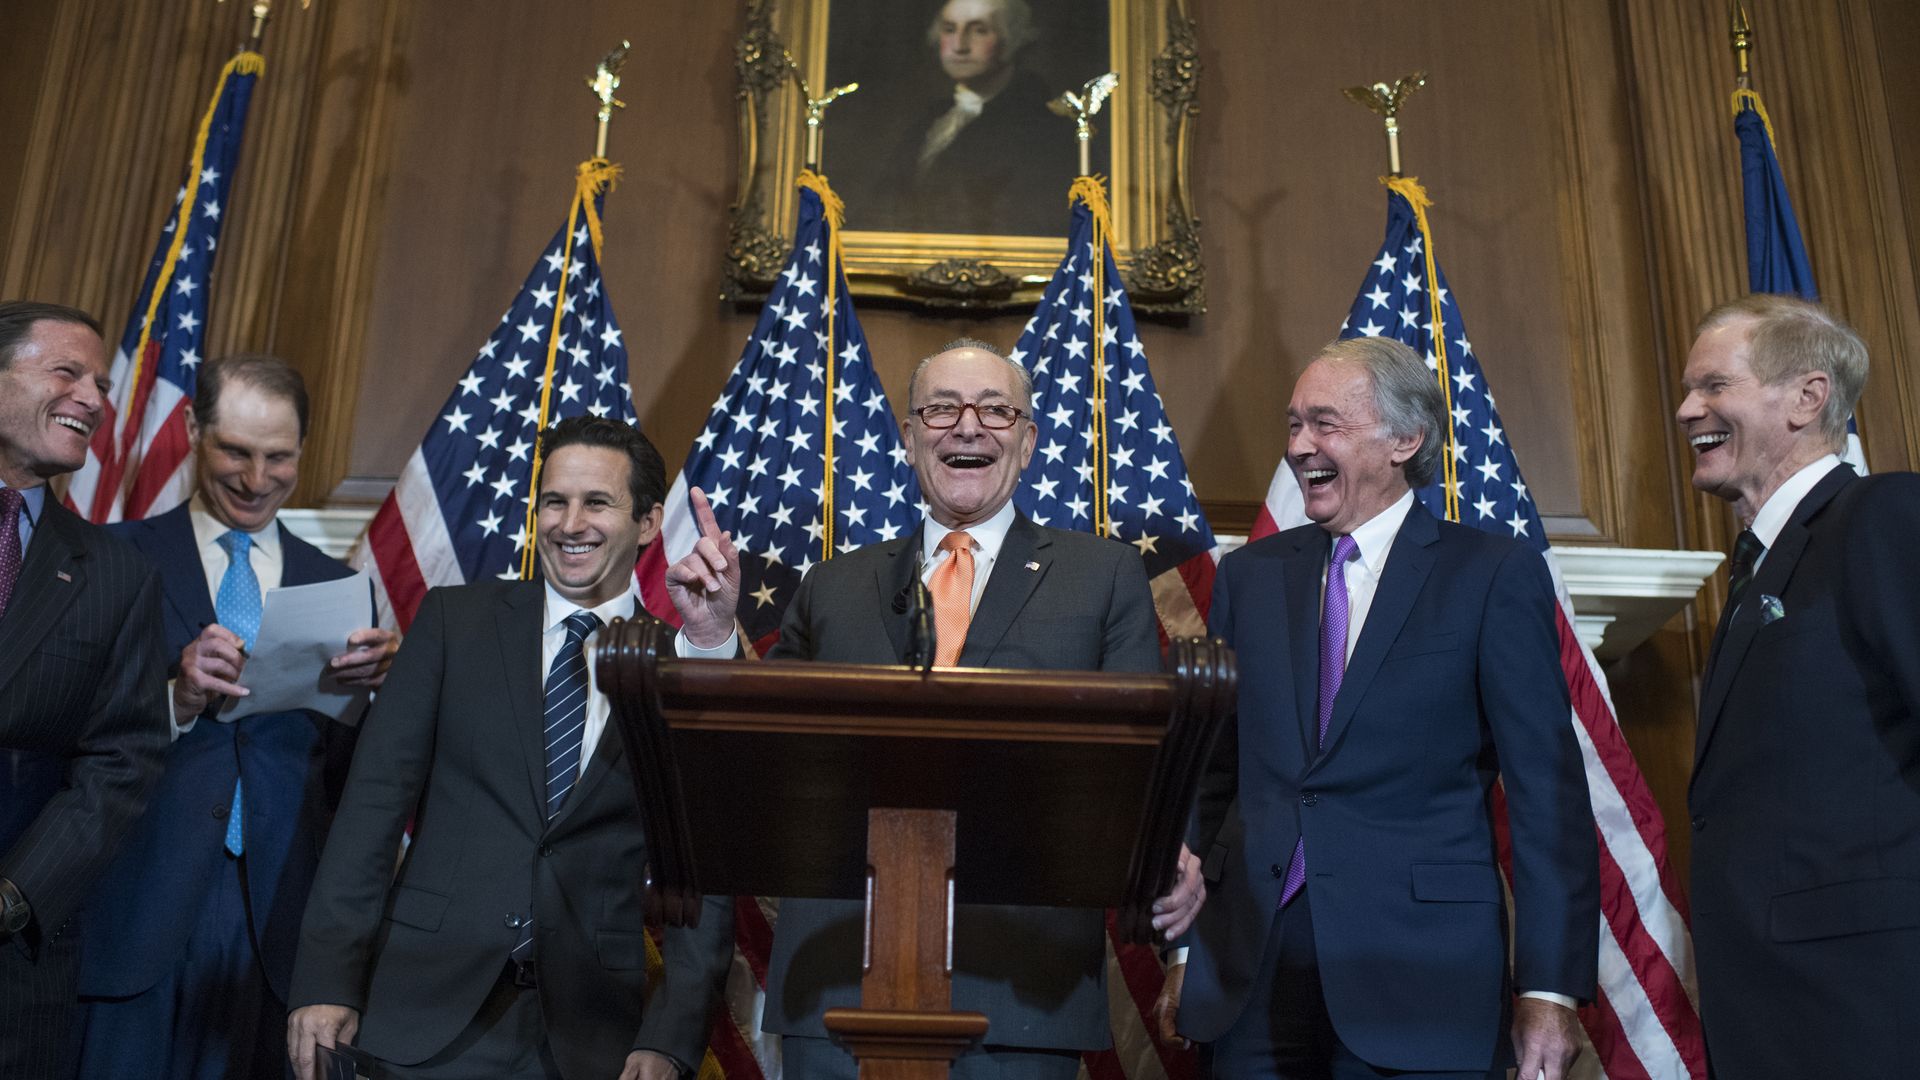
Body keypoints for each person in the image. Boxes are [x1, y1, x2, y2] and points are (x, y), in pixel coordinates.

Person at [667, 338, 1205, 1080]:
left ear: (1027, 441)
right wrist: (712, 634)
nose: (967, 426)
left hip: (1023, 988)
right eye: (942, 408)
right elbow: (755, 756)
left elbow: (1144, 760)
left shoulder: (1102, 576)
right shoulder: (832, 585)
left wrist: (1166, 882)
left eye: (995, 409)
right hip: (838, 982)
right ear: (910, 435)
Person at [1163, 336, 1599, 1079]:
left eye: (1324, 424)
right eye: (1293, 425)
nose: (1300, 446)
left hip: (1421, 977)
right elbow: (1213, 773)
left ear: (1405, 439)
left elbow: (1546, 799)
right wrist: (1184, 945)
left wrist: (1550, 988)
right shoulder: (1252, 578)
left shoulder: (1489, 575)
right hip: (1252, 970)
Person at [287, 416, 732, 1080]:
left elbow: (706, 872)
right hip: (424, 1015)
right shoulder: (450, 624)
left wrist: (670, 1037)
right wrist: (328, 976)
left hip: (593, 1035)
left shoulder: (682, 662)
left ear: (647, 522)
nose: (569, 522)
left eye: (597, 502)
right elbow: (371, 814)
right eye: (554, 500)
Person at [73, 355, 398, 1078]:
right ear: (193, 429)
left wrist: (380, 694)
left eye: (279, 457)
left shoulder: (344, 588)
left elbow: (354, 791)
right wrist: (177, 698)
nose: (257, 480)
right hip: (132, 911)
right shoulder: (112, 560)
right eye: (237, 453)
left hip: (277, 926)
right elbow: (61, 738)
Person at [1676, 295, 1920, 1078]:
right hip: (1772, 1008)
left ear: (1808, 398)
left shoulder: (1881, 515)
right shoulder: (1758, 569)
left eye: (1714, 386)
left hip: (1866, 1000)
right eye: (1688, 390)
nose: (1687, 410)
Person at [0, 300, 169, 1079]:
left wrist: (17, 895)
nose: (95, 400)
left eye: (99, 383)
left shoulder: (117, 576)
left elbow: (123, 759)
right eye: (67, 372)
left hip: (15, 958)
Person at [846, 0, 1082, 236]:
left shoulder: (1041, 127)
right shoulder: (931, 119)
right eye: (949, 29)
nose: (959, 46)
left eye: (979, 30)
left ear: (1012, 38)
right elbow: (883, 206)